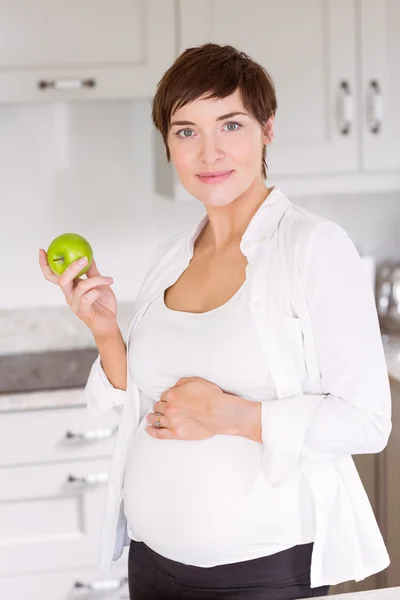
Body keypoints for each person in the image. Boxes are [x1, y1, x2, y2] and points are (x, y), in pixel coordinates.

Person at [39, 43, 392, 600]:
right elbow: (140, 400)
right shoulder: (171, 257)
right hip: (152, 564)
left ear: (266, 129)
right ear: (167, 145)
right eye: (186, 131)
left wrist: (229, 414)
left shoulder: (313, 248)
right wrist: (106, 333)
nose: (210, 152)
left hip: (260, 574)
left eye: (230, 124)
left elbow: (367, 422)